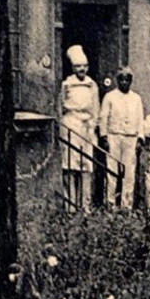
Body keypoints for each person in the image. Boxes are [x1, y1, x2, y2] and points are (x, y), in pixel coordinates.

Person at [59, 45, 101, 211]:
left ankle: (86, 205)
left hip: (87, 126)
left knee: (86, 167)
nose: (81, 69)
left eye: (84, 66)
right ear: (73, 68)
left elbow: (96, 108)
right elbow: (61, 106)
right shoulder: (67, 85)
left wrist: (93, 126)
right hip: (71, 123)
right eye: (78, 66)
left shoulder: (92, 85)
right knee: (70, 166)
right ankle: (70, 206)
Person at [98, 67, 144, 209]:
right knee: (112, 170)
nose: (124, 82)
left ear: (131, 81)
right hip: (114, 136)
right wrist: (104, 136)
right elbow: (103, 117)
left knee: (129, 172)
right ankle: (110, 203)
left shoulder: (136, 98)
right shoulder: (110, 96)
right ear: (117, 81)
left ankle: (126, 205)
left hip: (131, 137)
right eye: (121, 79)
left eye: (127, 79)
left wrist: (140, 139)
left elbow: (140, 119)